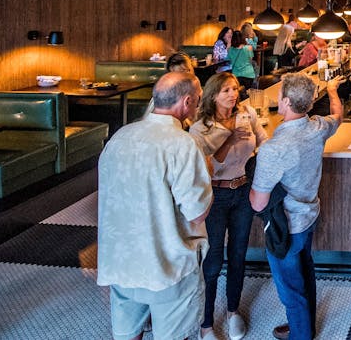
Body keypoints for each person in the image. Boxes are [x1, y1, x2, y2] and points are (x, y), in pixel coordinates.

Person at [97, 72, 212, 340]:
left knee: (128, 335)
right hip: (166, 262)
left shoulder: (119, 137)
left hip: (120, 260)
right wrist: (207, 173)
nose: (196, 107)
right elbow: (197, 213)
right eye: (196, 101)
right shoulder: (183, 144)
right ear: (186, 102)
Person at [250, 74, 344, 340]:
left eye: (279, 95)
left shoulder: (273, 149)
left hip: (285, 227)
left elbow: (258, 202)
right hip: (309, 216)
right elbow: (338, 115)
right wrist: (333, 90)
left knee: (290, 289)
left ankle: (301, 334)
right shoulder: (318, 127)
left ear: (287, 102)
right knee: (305, 273)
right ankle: (303, 327)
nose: (277, 99)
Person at [190, 73, 267, 340]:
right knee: (212, 261)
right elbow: (210, 161)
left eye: (234, 89)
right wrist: (231, 137)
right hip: (215, 195)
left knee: (238, 254)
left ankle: (233, 311)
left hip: (243, 190)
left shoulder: (246, 113)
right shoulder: (201, 127)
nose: (233, 95)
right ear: (212, 95)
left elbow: (262, 141)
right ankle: (206, 323)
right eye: (225, 90)